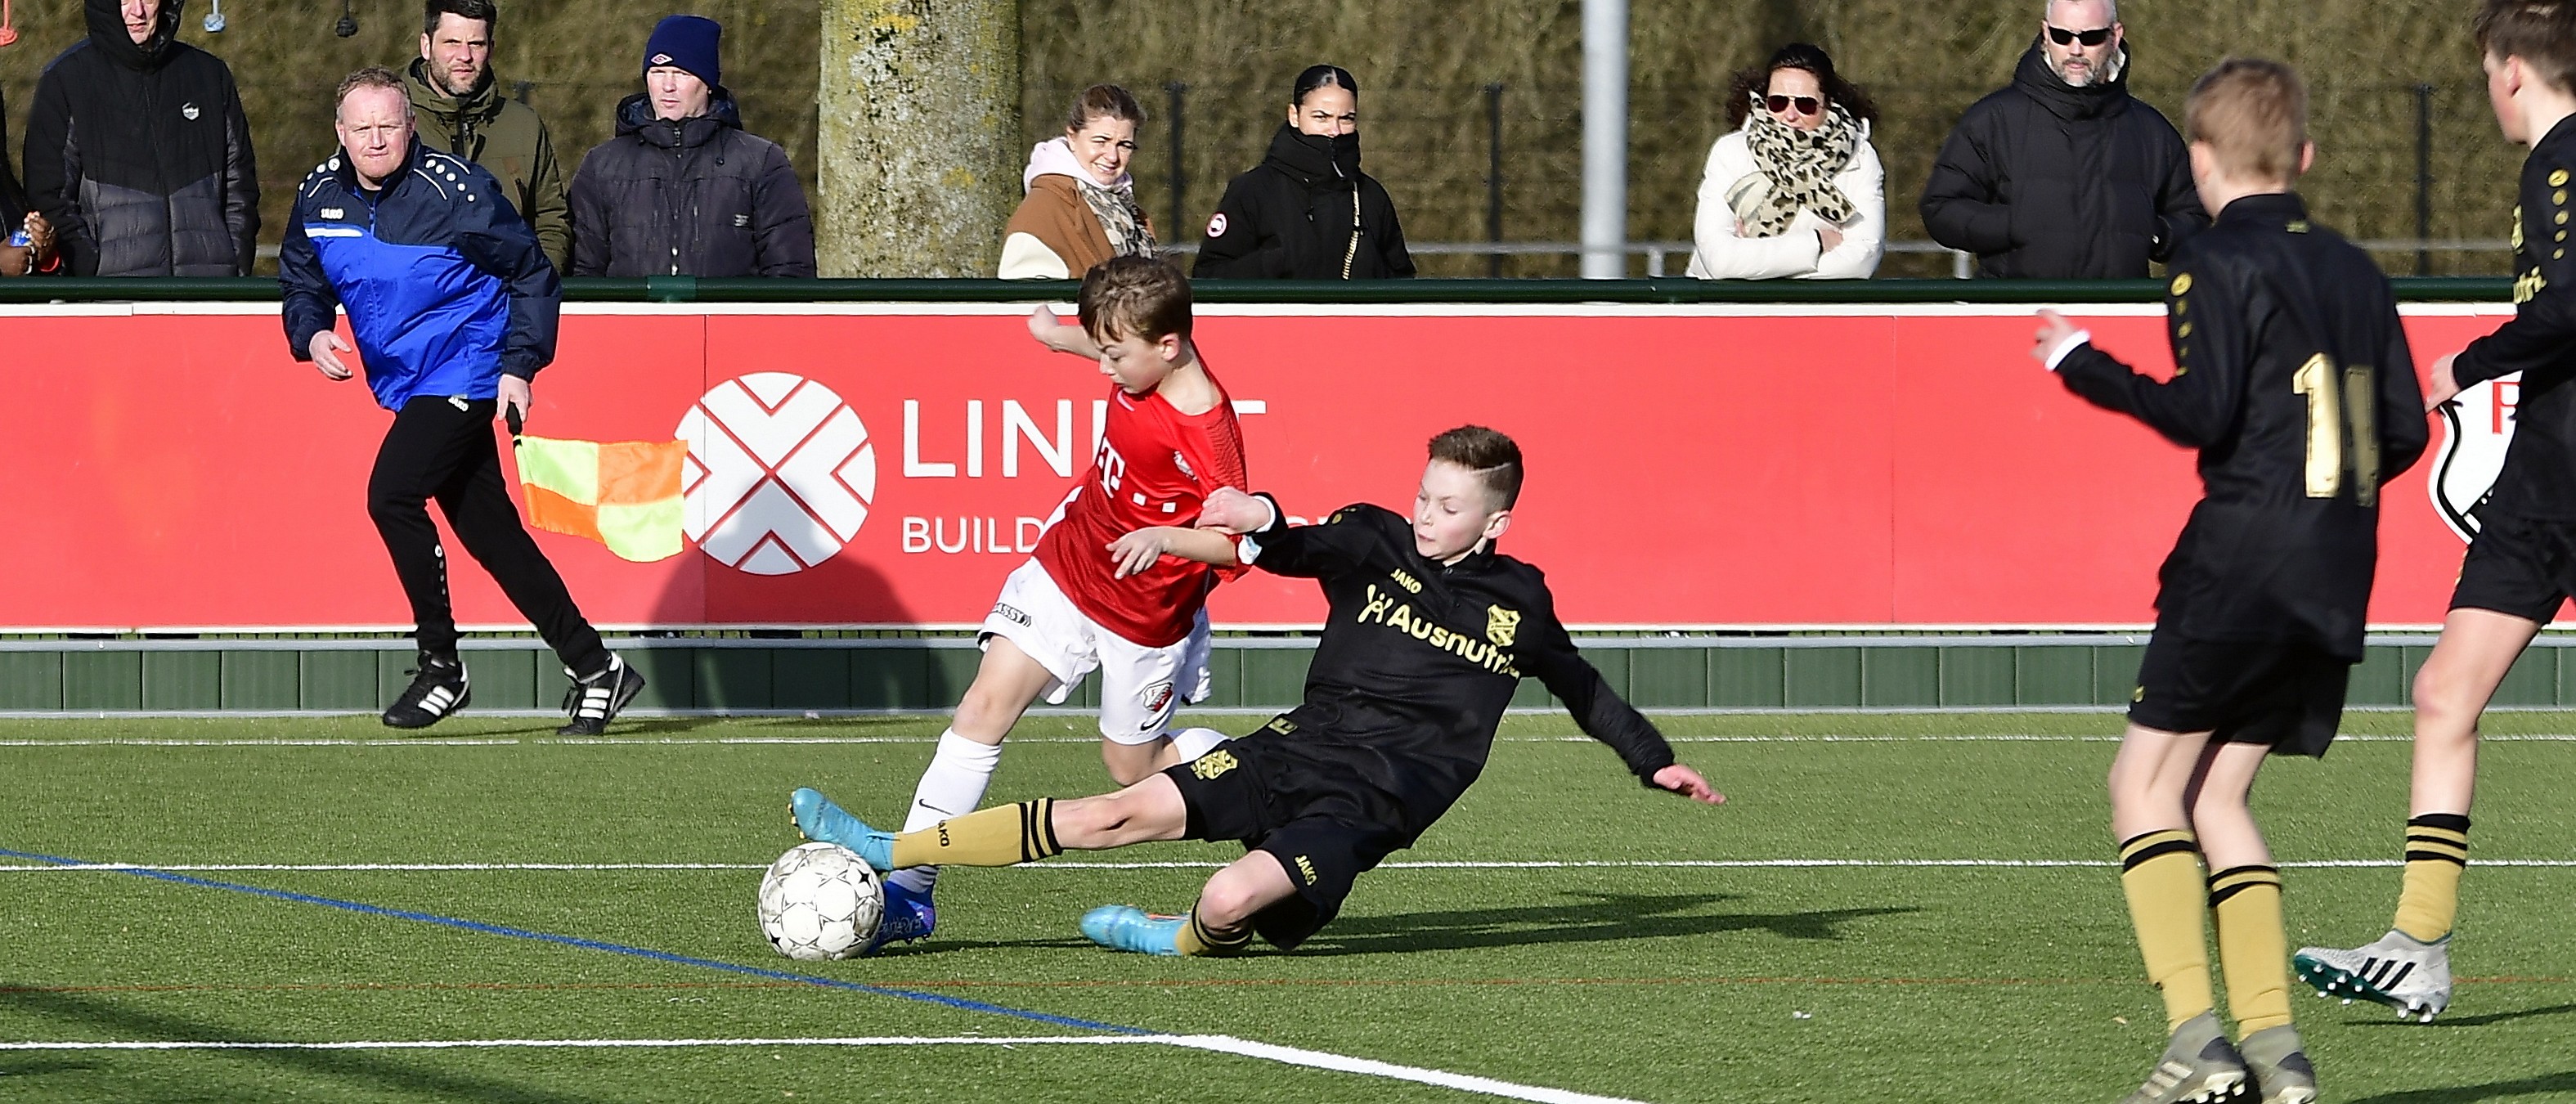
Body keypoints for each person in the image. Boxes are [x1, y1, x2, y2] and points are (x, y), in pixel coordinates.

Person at [791, 427, 1721, 957]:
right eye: (1425, 495)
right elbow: (1295, 544)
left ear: (1497, 519)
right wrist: (1259, 517)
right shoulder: (1376, 540)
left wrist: (1654, 761)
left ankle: (1180, 938)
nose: (1428, 515)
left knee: (1234, 902)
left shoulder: (1521, 602)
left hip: (1371, 803)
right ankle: (897, 845)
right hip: (1294, 748)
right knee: (1118, 812)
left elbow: (1583, 687)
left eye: (1449, 506)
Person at [2029, 59, 2426, 1104]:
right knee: (2221, 795)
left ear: (2200, 163)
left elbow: (2200, 414)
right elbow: (2403, 432)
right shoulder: (2357, 269)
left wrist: (2081, 364)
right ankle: (2279, 1055)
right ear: (2303, 156)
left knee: (2143, 788)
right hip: (2338, 575)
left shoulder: (2209, 261)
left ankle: (2199, 1042)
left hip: (2240, 563)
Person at [2295, 0, 2576, 1025]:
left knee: (2444, 695)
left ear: (2509, 73)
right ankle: (2417, 944)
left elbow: (2574, 302)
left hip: (2563, 480)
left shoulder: (2562, 159)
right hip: (2547, 481)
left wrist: (2463, 363)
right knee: (2444, 692)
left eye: (2485, 73)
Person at [861, 254, 1248, 953]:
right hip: (1070, 567)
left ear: (1168, 347)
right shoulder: (1141, 352)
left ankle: (1251, 775)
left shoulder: (1208, 429)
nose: (1105, 368)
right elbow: (1105, 343)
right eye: (1099, 349)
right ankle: (910, 894)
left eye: (1114, 355)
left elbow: (1237, 546)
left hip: (1147, 613)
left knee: (1133, 769)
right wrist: (1058, 334)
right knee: (983, 709)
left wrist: (1164, 535)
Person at [280, 67, 646, 736]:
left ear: (410, 125)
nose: (375, 139)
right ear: (339, 132)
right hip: (407, 380)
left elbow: (531, 271)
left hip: (467, 369)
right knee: (493, 536)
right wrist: (311, 333)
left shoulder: (454, 191)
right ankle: (597, 667)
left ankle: (441, 666)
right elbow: (301, 279)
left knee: (391, 494)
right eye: (360, 127)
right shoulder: (318, 194)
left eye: (388, 125)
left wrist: (519, 365)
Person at [1920, 0, 2206, 279]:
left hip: (2117, 317)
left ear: (2115, 36)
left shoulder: (2151, 131)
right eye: (2062, 36)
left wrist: (2156, 234)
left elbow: (2194, 212)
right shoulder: (1993, 120)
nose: (2076, 49)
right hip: (2016, 315)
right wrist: (2013, 225)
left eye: (2091, 37)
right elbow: (1942, 208)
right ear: (2045, 34)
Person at [21, 0, 258, 276]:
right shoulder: (66, 80)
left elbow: (240, 186)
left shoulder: (209, 75)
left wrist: (234, 264)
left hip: (208, 296)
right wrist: (90, 269)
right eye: (124, 0)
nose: (138, 11)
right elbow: (50, 196)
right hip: (113, 303)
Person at [568, 15, 815, 277]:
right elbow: (582, 272)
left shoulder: (761, 162)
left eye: (682, 74)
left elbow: (790, 270)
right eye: (658, 72)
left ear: (708, 84)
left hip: (729, 318)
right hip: (633, 319)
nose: (668, 86)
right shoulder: (602, 165)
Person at [1194, 65, 1413, 280]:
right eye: (1321, 117)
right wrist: (1277, 261)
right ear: (1294, 115)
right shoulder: (1253, 190)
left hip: (1354, 317)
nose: (1334, 131)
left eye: (1346, 119)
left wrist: (1367, 269)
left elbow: (1402, 280)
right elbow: (1209, 276)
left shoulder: (1371, 195)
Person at [1685, 43, 1885, 280]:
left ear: (1828, 104)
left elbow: (1861, 261)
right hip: (1728, 310)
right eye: (1778, 102)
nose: (1790, 115)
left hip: (1815, 312)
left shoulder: (1860, 158)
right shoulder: (1730, 151)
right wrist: (1817, 242)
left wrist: (1752, 263)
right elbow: (1719, 261)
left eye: (1805, 105)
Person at [402, 0, 572, 272]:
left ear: (491, 49)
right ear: (426, 45)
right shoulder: (386, 124)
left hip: (508, 303)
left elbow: (551, 220)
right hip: (415, 305)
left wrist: (536, 284)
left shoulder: (524, 126)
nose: (464, 56)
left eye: (476, 44)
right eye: (452, 43)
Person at [999, 84, 1156, 279]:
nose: (1112, 156)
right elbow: (1027, 299)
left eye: (1124, 145)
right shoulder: (1046, 206)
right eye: (1100, 141)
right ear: (1072, 138)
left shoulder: (1128, 209)